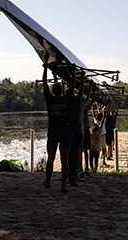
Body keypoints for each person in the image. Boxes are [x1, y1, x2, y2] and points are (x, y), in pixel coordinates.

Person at [42, 63, 76, 192]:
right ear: (62, 91)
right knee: (64, 160)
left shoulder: (49, 99)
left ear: (53, 91)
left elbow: (45, 84)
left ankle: (48, 182)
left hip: (53, 130)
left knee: (50, 158)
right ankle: (63, 185)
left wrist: (45, 69)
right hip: (65, 130)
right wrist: (73, 71)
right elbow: (72, 85)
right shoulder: (67, 98)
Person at [66, 71, 86, 187]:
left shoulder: (67, 102)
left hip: (69, 131)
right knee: (76, 154)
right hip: (77, 131)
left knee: (69, 155)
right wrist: (82, 78)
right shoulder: (77, 103)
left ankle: (69, 176)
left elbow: (71, 89)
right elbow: (81, 90)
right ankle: (74, 175)